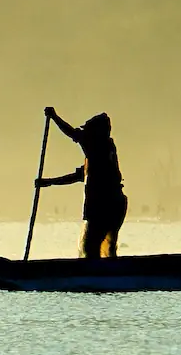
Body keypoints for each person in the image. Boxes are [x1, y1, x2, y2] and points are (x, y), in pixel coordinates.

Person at [35, 107, 127, 259]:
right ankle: (103, 272)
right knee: (100, 248)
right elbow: (79, 176)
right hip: (114, 205)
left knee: (92, 247)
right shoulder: (101, 152)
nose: (86, 135)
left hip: (106, 206)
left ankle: (98, 275)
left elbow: (72, 134)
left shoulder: (98, 147)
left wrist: (55, 117)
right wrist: (49, 182)